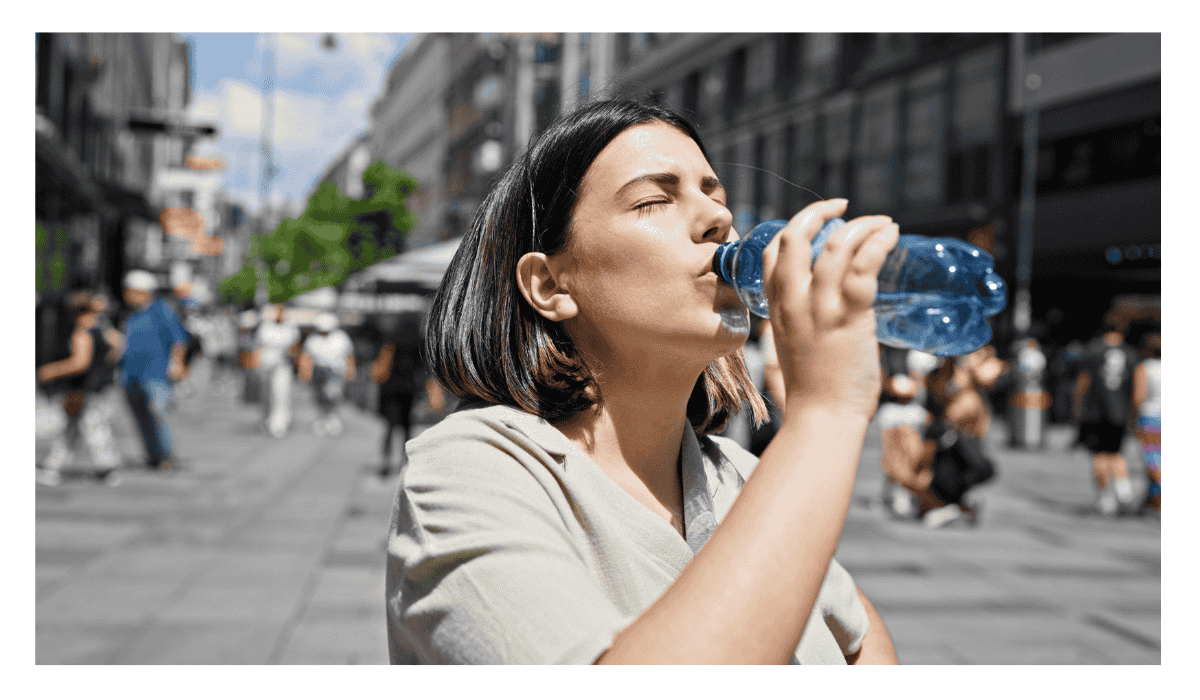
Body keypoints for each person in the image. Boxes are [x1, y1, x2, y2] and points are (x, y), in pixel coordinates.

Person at [385, 99, 899, 664]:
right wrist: (824, 414)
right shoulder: (474, 472)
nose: (718, 218)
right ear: (551, 284)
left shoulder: (742, 477)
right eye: (655, 198)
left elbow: (862, 632)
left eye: (714, 195)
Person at [36, 290, 124, 485]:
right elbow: (120, 345)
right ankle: (53, 466)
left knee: (90, 427)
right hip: (94, 388)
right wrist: (105, 366)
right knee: (76, 428)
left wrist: (51, 370)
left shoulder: (82, 333)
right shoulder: (103, 330)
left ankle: (107, 468)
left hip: (81, 389)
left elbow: (79, 363)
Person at [118, 270, 188, 471]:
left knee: (158, 416)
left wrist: (176, 364)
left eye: (130, 291)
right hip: (131, 375)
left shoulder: (161, 311)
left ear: (142, 292)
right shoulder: (131, 315)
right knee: (140, 418)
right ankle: (152, 456)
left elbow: (179, 340)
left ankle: (166, 457)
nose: (126, 295)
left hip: (155, 375)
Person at [1073, 320, 1141, 516]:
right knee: (1116, 453)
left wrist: (1077, 409)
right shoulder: (1130, 354)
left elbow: (1082, 383)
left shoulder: (1093, 351)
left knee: (1099, 456)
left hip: (1096, 411)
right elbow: (1136, 387)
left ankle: (1106, 499)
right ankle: (1124, 490)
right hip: (1121, 412)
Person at [371, 312, 434, 476]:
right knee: (407, 427)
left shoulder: (393, 339)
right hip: (409, 389)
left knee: (390, 426)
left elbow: (383, 364)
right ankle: (404, 462)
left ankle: (385, 461)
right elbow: (425, 369)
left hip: (391, 389)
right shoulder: (419, 342)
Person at [298, 312, 355, 437]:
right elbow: (306, 357)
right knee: (319, 397)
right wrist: (304, 372)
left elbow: (349, 355)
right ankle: (322, 419)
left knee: (333, 396)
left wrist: (350, 370)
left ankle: (333, 419)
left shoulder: (341, 338)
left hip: (335, 371)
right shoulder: (313, 339)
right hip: (318, 371)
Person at [254, 304, 300, 438]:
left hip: (282, 366)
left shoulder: (291, 328)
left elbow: (294, 348)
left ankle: (280, 423)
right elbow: (258, 347)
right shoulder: (265, 327)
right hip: (265, 365)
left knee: (281, 393)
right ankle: (266, 419)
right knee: (266, 395)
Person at [1131, 330, 1161, 511]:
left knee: (1153, 461)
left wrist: (1132, 419)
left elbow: (1138, 397)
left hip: (1151, 418)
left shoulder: (1144, 368)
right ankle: (1152, 501)